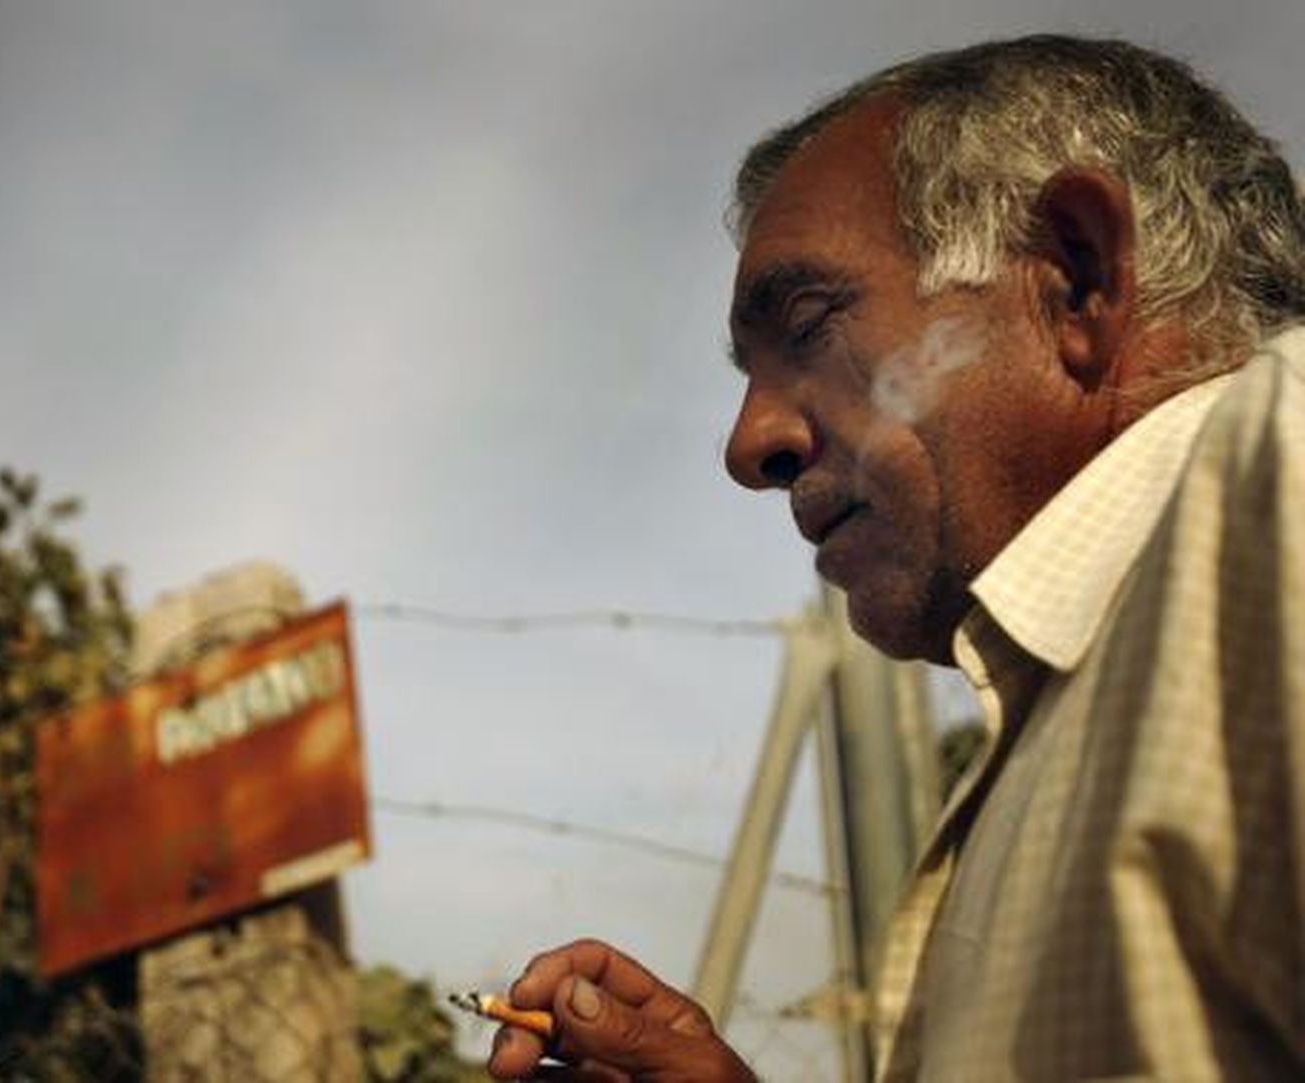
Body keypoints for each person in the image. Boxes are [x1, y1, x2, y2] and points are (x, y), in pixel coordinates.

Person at [487, 35, 1305, 1082]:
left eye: (808, 325)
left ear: (1074, 279)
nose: (751, 445)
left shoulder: (1274, 479)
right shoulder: (1072, 697)